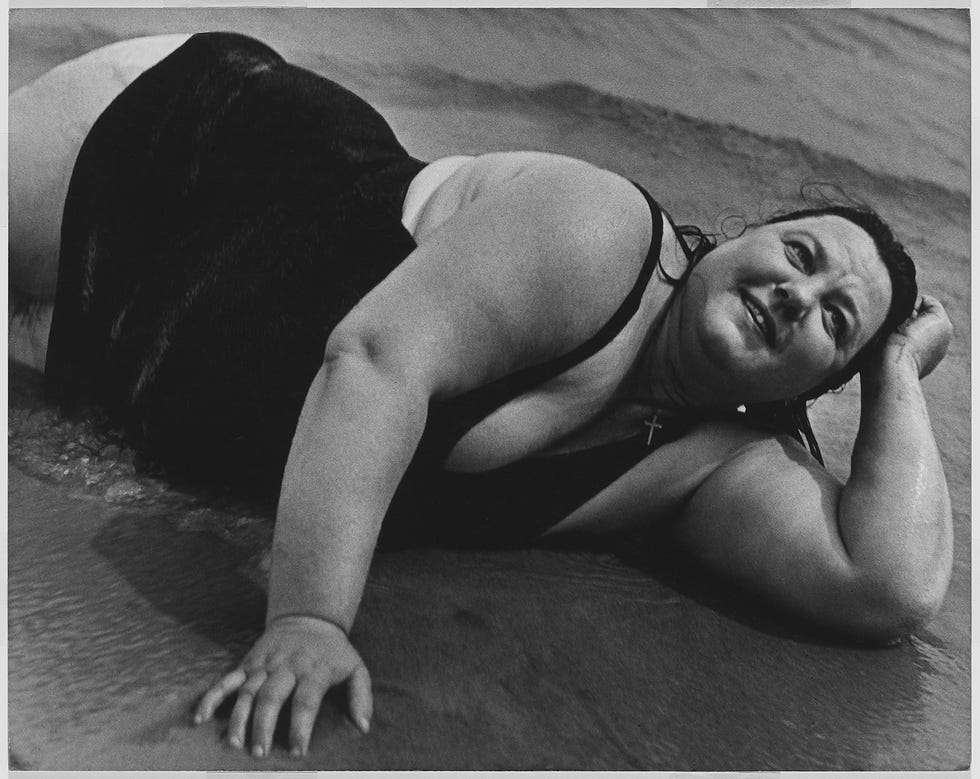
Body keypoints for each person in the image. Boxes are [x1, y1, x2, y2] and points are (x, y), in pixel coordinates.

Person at [9, 32, 953, 759]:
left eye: (836, 321)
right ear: (741, 239)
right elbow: (375, 363)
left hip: (114, 357)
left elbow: (885, 584)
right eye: (799, 254)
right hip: (171, 147)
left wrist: (897, 368)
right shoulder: (600, 236)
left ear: (820, 386)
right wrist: (308, 618)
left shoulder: (700, 460)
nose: (799, 295)